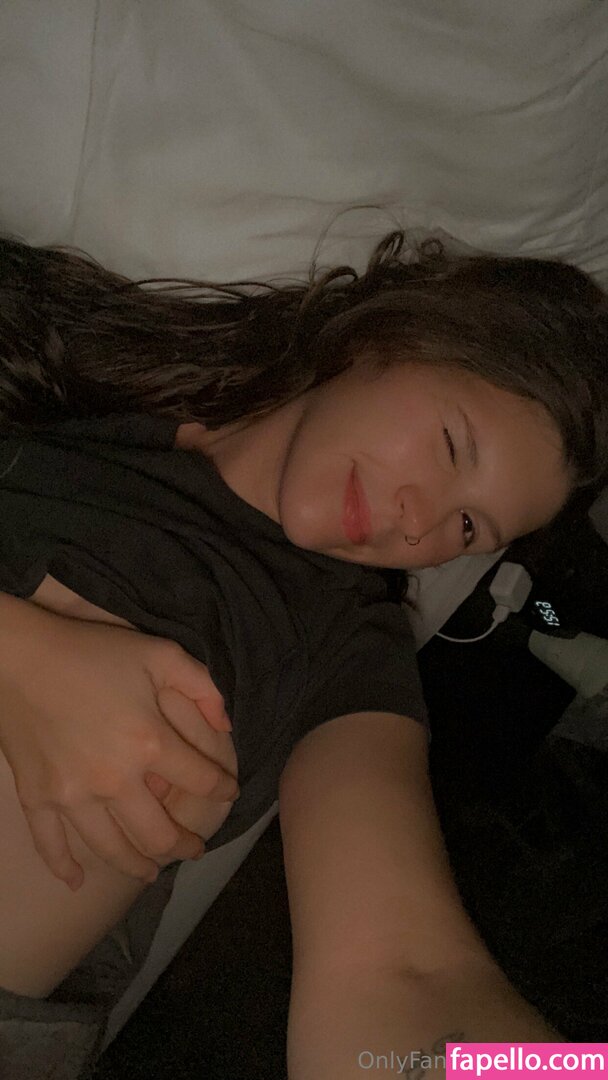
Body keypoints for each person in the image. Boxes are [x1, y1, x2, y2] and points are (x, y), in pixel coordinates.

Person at [0, 231, 606, 1079]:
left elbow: (404, 970)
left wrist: (550, 1071)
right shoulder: (80, 364)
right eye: (450, 446)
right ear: (389, 339)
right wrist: (23, 654)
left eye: (469, 527)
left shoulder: (347, 649)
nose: (419, 524)